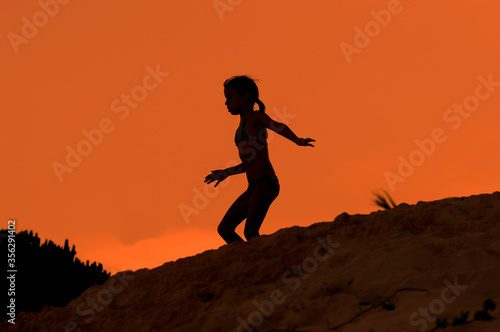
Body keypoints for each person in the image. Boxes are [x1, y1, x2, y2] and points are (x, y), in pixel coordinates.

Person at [204, 76, 315, 244]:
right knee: (225, 229)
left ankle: (270, 256)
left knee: (250, 231)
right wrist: (226, 172)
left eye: (229, 97)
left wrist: (296, 139)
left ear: (244, 97)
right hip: (253, 186)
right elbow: (248, 165)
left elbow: (277, 125)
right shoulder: (238, 130)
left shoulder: (256, 117)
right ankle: (247, 260)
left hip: (266, 183)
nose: (226, 103)